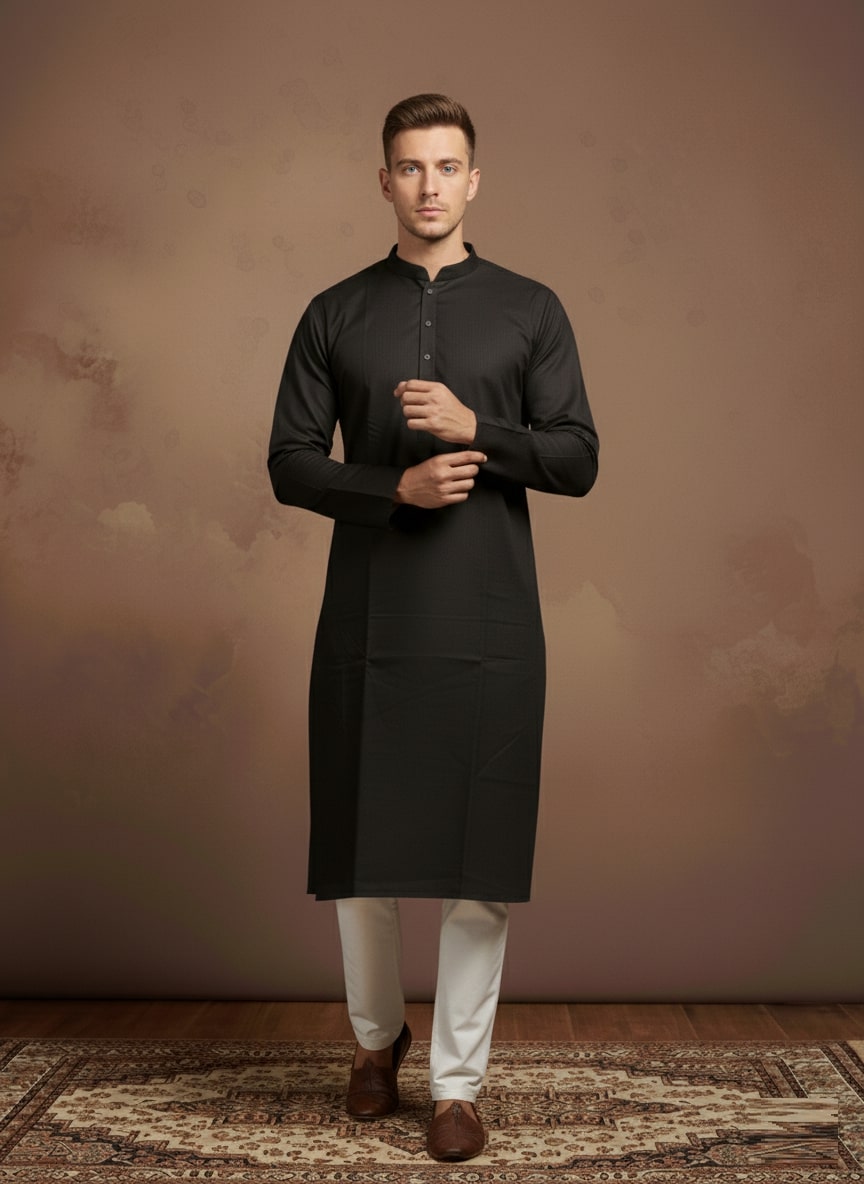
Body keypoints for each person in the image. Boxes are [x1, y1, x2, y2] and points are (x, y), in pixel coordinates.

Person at [268, 93, 598, 1162]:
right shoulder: (335, 311)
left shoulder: (530, 308)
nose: (429, 185)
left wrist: (479, 430)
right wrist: (392, 488)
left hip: (491, 617)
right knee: (361, 852)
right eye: (410, 167)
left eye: (447, 166)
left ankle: (457, 1085)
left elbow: (577, 457)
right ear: (384, 181)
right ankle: (375, 1043)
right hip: (370, 614)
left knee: (477, 854)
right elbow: (288, 462)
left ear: (474, 180)